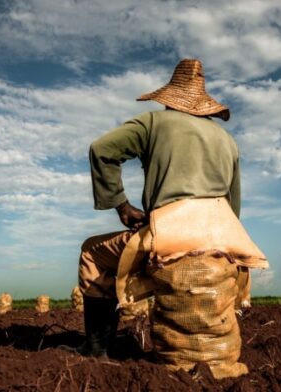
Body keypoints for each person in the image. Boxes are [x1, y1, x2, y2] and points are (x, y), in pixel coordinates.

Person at [76, 58, 242, 358]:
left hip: (170, 234)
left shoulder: (154, 123)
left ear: (169, 99)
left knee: (91, 252)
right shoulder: (227, 140)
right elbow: (234, 204)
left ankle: (97, 349)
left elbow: (101, 150)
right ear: (204, 105)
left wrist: (121, 205)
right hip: (220, 236)